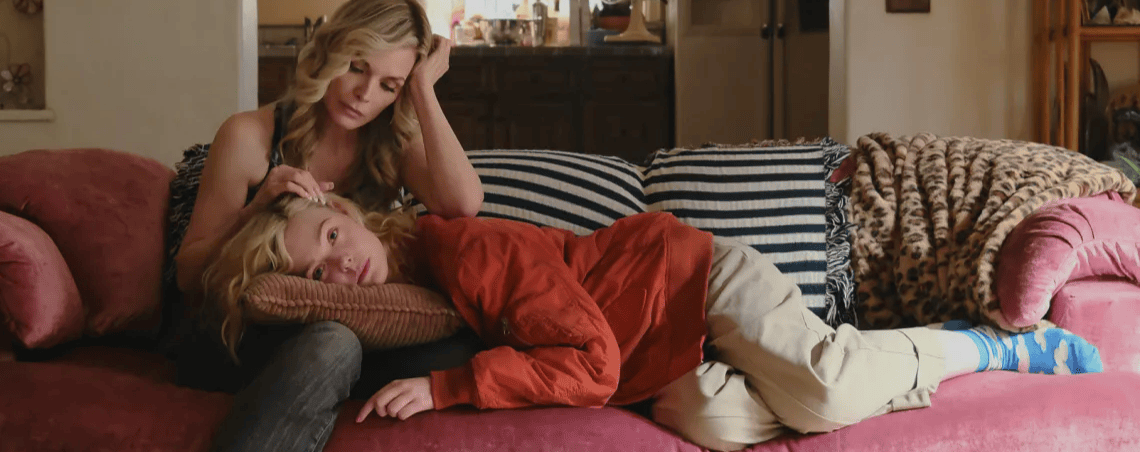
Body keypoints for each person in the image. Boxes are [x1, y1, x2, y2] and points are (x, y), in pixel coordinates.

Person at [206, 194, 1105, 452]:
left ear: (351, 212)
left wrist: (449, 387)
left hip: (694, 283)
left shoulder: (464, 249)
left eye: (332, 238)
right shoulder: (400, 305)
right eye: (314, 275)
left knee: (828, 388)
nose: (338, 270)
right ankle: (854, 362)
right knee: (713, 419)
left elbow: (588, 363)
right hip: (654, 362)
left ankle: (987, 343)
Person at [162, 0, 484, 452]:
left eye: (389, 85)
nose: (364, 94)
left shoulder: (390, 141)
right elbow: (188, 275)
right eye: (357, 66)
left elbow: (464, 203)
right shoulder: (250, 136)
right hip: (237, 332)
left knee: (460, 347)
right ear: (331, 50)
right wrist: (255, 209)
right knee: (333, 342)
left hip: (349, 330)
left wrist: (422, 92)